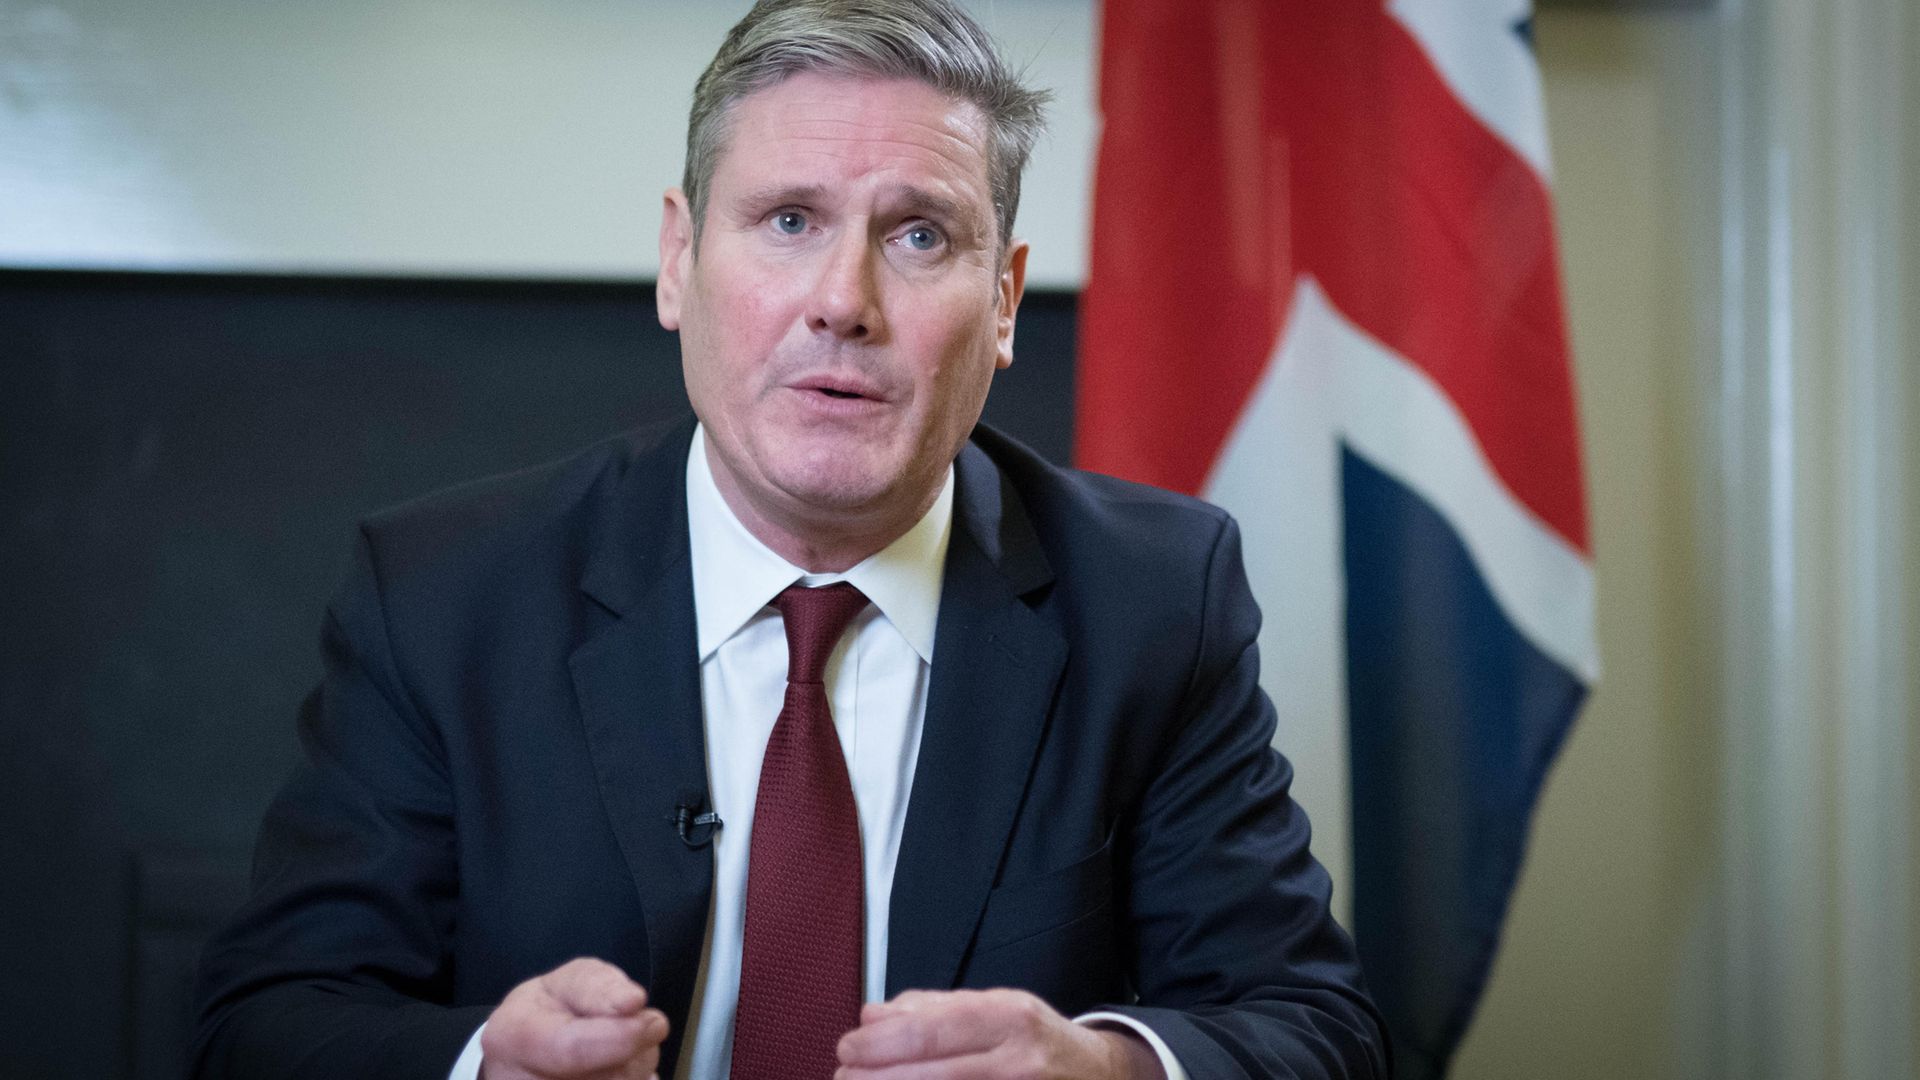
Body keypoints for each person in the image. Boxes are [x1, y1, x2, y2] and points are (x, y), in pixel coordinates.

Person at [192, 1, 1389, 1077]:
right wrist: (478, 1069)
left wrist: (1110, 1072)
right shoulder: (446, 595)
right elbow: (270, 1023)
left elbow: (1313, 1028)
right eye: (787, 220)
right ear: (678, 261)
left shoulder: (1152, 601)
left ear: (1007, 303)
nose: (843, 299)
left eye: (920, 234)